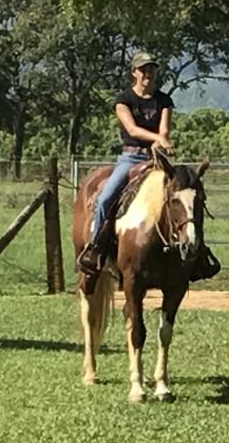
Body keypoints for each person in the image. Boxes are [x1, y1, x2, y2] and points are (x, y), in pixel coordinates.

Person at [77, 52, 219, 284]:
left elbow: (164, 130)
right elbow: (132, 131)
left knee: (183, 196)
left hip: (156, 160)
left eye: (151, 69)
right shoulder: (123, 100)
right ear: (134, 73)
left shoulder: (164, 101)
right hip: (130, 159)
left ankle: (197, 252)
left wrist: (161, 141)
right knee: (105, 199)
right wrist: (158, 139)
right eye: (143, 70)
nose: (148, 74)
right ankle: (95, 250)